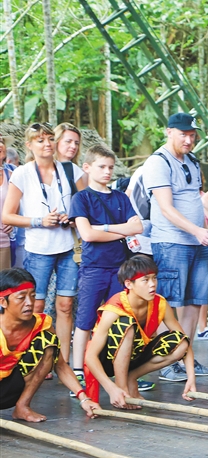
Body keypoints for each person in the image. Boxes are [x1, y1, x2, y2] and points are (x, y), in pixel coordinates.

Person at [2, 123, 83, 368]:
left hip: (68, 246)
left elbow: (86, 205)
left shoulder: (70, 169)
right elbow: (7, 216)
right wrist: (39, 221)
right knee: (35, 306)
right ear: (29, 145)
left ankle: (63, 362)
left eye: (49, 139)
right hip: (38, 249)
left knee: (65, 305)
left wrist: (73, 218)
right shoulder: (22, 173)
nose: (47, 144)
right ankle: (36, 360)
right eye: (40, 140)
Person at [142, 113, 208, 381]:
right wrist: (196, 230)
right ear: (169, 132)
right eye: (183, 134)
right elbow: (166, 208)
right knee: (168, 305)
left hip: (198, 242)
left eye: (192, 135)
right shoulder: (158, 162)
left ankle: (185, 357)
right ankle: (167, 362)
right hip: (172, 242)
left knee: (196, 302)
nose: (188, 140)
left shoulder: (193, 161)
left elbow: (197, 198)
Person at [69, 144, 144, 394]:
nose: (107, 171)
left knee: (123, 319)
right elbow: (87, 235)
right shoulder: (81, 198)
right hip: (94, 267)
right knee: (85, 319)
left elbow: (137, 227)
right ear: (87, 167)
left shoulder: (121, 197)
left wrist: (103, 228)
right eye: (101, 166)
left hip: (121, 268)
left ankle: (123, 371)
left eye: (110, 167)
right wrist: (121, 230)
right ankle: (78, 371)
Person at [84, 256, 195, 408]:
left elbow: (184, 341)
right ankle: (123, 388)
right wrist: (111, 389)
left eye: (154, 278)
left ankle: (132, 377)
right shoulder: (114, 308)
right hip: (106, 362)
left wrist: (191, 378)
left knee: (180, 343)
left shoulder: (160, 303)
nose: (152, 284)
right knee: (126, 324)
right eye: (145, 280)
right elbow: (90, 357)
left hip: (135, 357)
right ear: (129, 284)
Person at [0, 268, 100, 421]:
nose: (29, 303)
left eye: (33, 296)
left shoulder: (41, 324)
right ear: (3, 302)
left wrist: (84, 398)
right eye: (21, 298)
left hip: (11, 389)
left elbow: (60, 365)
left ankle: (22, 407)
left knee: (48, 341)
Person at [53, 123, 87, 192]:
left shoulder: (78, 172)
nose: (73, 146)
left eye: (76, 143)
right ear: (56, 142)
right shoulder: (42, 169)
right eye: (68, 141)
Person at [1, 134, 13, 270]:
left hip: (4, 240)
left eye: (1, 141)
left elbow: (20, 205)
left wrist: (13, 221)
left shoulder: (11, 175)